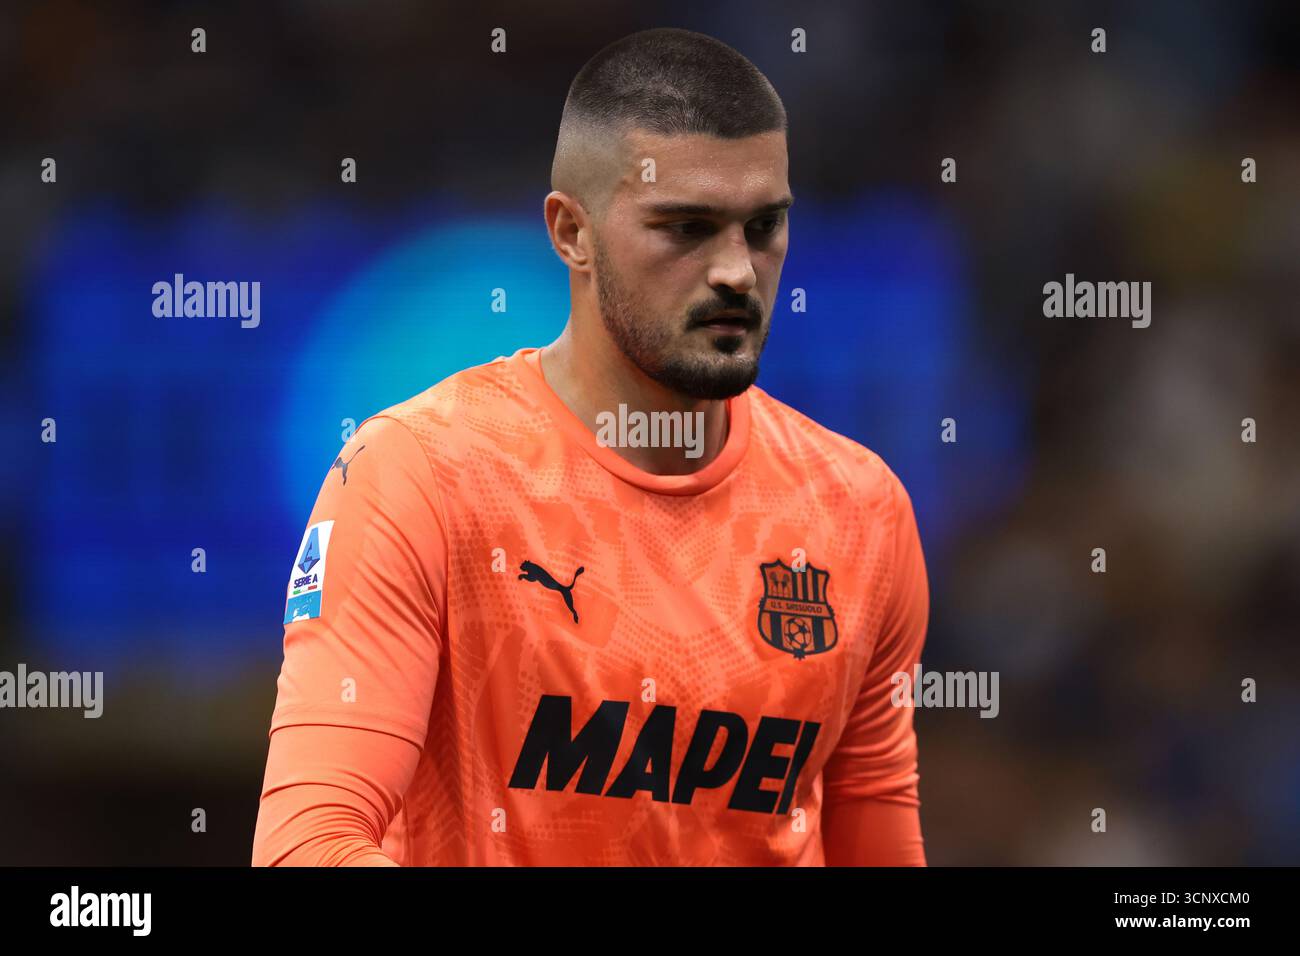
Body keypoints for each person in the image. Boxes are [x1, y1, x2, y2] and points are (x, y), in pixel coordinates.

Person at [252, 26, 928, 866]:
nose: (737, 272)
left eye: (763, 226)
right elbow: (308, 845)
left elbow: (877, 834)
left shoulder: (862, 513)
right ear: (571, 232)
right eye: (686, 227)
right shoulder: (420, 477)